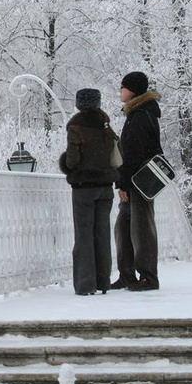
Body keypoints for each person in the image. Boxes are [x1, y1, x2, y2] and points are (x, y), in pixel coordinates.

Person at [59, 88, 120, 296]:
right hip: (105, 188)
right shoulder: (105, 125)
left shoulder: (76, 127)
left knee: (84, 235)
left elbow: (72, 161)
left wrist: (64, 162)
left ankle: (86, 284)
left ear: (79, 104)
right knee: (102, 234)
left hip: (84, 188)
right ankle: (103, 281)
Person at [112, 71, 163, 291]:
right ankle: (127, 275)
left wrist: (123, 183)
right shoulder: (139, 114)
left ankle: (148, 277)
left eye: (123, 87)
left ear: (132, 90)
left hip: (138, 181)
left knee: (140, 228)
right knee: (124, 227)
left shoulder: (141, 115)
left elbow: (134, 153)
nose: (120, 91)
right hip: (136, 179)